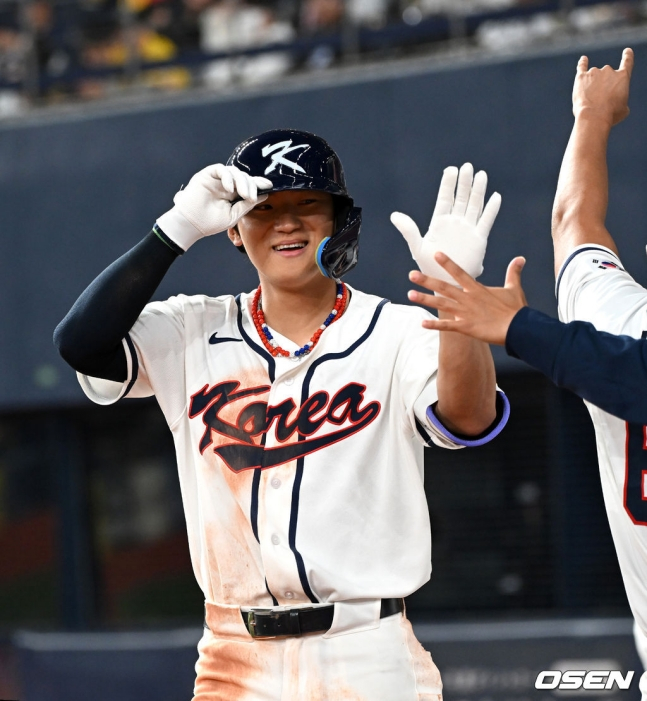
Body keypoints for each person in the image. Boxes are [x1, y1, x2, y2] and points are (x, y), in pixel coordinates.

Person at [54, 128, 508, 700]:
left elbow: (469, 419)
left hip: (366, 648)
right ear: (235, 230)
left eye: (306, 205)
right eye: (264, 209)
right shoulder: (192, 328)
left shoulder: (398, 332)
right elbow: (81, 343)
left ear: (339, 220)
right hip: (231, 654)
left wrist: (456, 299)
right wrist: (177, 228)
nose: (286, 222)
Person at [407, 48, 647, 677]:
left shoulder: (618, 316)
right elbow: (575, 223)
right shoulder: (616, 317)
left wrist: (592, 118)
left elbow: (632, 372)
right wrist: (589, 120)